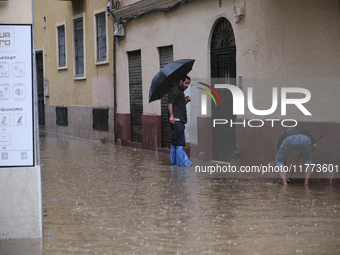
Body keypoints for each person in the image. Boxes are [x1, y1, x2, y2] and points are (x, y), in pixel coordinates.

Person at [168, 75, 192, 166]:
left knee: (175, 143)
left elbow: (178, 106)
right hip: (177, 121)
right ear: (181, 81)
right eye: (186, 83)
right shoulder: (175, 90)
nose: (187, 86)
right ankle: (185, 164)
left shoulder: (180, 92)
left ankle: (175, 163)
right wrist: (171, 116)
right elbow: (170, 103)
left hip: (178, 120)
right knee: (180, 143)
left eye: (188, 84)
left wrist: (186, 101)